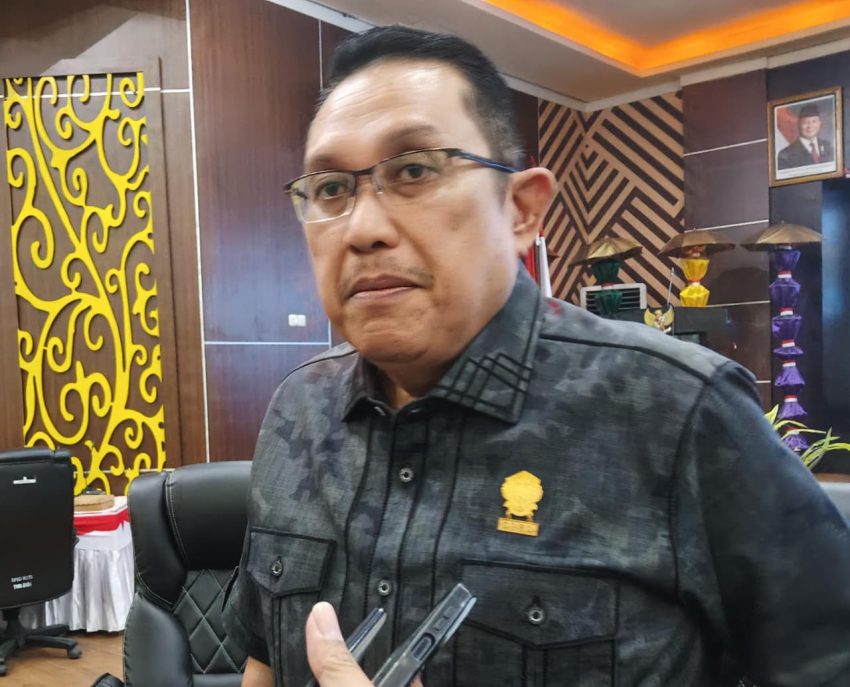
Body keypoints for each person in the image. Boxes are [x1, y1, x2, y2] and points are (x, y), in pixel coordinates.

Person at [223, 25, 850, 687]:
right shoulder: (299, 407)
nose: (363, 228)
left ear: (521, 210)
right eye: (330, 188)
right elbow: (264, 661)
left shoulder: (678, 410)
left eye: (413, 170)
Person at [777, 102, 834, 169]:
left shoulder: (829, 146)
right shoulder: (785, 154)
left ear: (820, 123)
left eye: (814, 121)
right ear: (798, 124)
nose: (810, 126)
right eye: (805, 122)